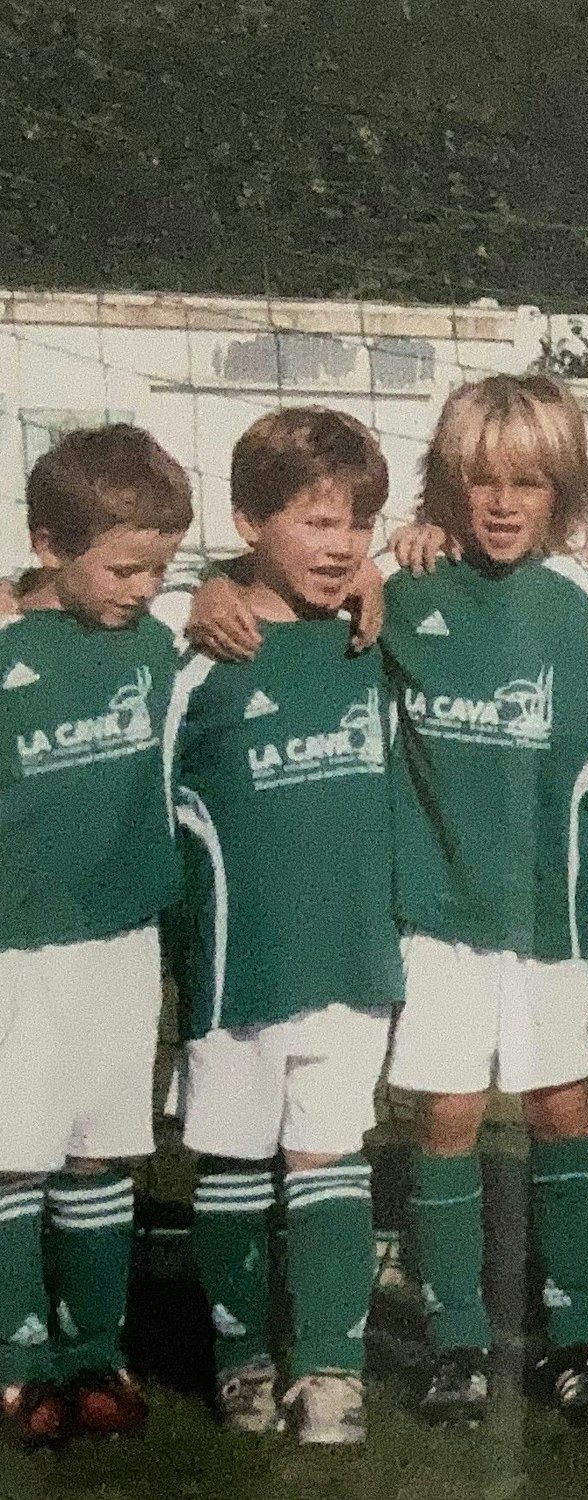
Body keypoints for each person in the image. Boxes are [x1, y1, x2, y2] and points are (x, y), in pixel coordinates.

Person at [372, 375, 588, 1426]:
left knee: (562, 1114)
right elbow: (274, 592)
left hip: (553, 924)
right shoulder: (400, 586)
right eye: (479, 481)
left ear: (563, 489)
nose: (500, 504)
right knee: (444, 1117)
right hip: (434, 914)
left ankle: (575, 1341)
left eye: (527, 482)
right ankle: (455, 1343)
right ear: (446, 486)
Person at [163, 409, 400, 1445]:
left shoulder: (372, 642)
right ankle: (239, 1357)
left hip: (353, 951)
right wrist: (199, 589)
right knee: (230, 1158)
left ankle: (332, 1368)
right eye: (314, 522)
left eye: (357, 524)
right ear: (249, 521)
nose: (341, 545)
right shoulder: (197, 652)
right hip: (234, 963)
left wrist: (396, 564)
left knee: (328, 1153)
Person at [0, 426, 192, 1446]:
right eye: (125, 568)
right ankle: (16, 1355)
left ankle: (95, 1351)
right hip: (19, 949)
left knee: (100, 1154)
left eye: (162, 567)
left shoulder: (157, 639)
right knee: (12, 1154)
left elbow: (244, 590)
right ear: (46, 544)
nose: (145, 587)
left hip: (122, 940)